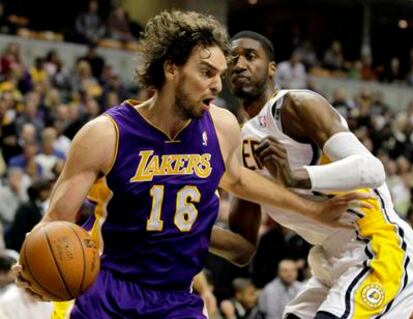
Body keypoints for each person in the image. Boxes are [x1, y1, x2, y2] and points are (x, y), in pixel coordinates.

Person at [14, 12, 366, 319]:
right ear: (171, 68)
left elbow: (240, 183)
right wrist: (30, 265)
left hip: (176, 298)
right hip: (109, 290)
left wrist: (314, 211)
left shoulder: (222, 125)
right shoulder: (106, 134)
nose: (217, 84)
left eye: (219, 74)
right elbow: (56, 220)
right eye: (206, 72)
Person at [227, 30, 413, 318]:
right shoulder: (239, 145)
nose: (239, 64)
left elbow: (372, 169)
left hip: (377, 247)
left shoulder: (293, 106)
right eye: (232, 59)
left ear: (272, 68)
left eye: (250, 56)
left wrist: (296, 177)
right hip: (329, 262)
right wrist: (180, 230)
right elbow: (242, 249)